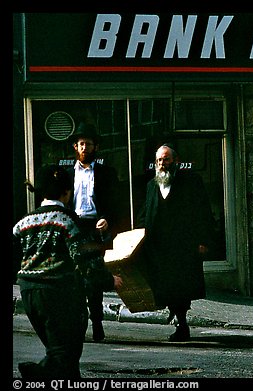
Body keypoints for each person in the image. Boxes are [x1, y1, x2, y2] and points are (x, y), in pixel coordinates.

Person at [13, 165, 122, 378]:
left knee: (60, 352)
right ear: (67, 192)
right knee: (66, 353)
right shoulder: (67, 220)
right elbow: (85, 259)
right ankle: (37, 372)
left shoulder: (23, 223)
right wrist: (110, 281)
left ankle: (44, 371)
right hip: (58, 293)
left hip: (29, 293)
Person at [137, 144, 216, 342]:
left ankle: (182, 323)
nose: (162, 164)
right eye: (159, 161)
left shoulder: (191, 182)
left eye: (166, 159)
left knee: (181, 286)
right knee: (165, 285)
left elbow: (203, 213)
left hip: (183, 245)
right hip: (159, 247)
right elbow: (144, 214)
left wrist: (203, 240)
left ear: (176, 161)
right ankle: (176, 316)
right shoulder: (151, 185)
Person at [67, 124, 121, 342]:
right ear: (75, 147)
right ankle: (76, 325)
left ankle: (97, 323)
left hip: (95, 229)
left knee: (94, 279)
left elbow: (117, 203)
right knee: (72, 277)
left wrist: (107, 219)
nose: (85, 147)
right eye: (81, 144)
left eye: (88, 144)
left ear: (95, 147)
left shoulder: (106, 173)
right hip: (74, 228)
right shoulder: (66, 173)